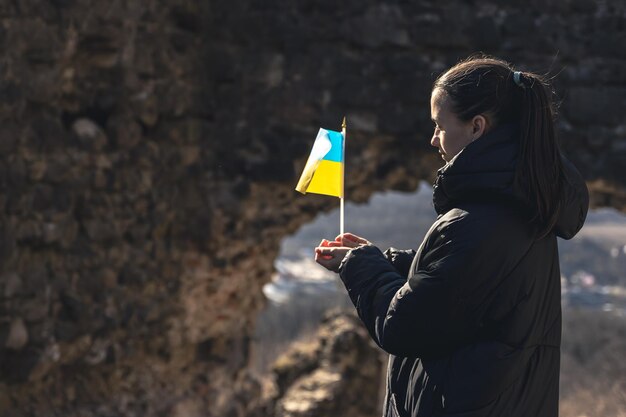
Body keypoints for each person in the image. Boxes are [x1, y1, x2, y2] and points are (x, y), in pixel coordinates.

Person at [314, 56, 589, 417]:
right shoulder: (524, 205)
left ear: (477, 127)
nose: (433, 139)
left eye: (439, 126)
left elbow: (404, 325)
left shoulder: (478, 220)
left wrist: (359, 268)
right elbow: (467, 287)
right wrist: (384, 261)